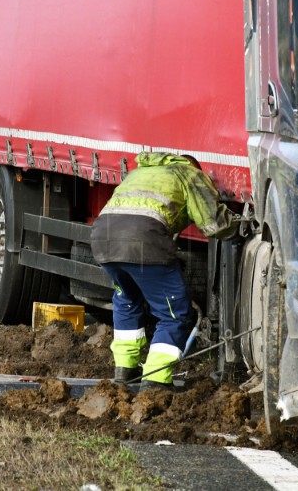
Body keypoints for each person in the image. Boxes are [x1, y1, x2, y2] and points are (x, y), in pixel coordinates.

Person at [90, 152, 239, 392]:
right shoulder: (189, 174)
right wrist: (239, 225)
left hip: (102, 240)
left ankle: (125, 371)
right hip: (144, 244)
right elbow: (213, 223)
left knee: (127, 300)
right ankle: (156, 380)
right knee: (175, 314)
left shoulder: (140, 172)